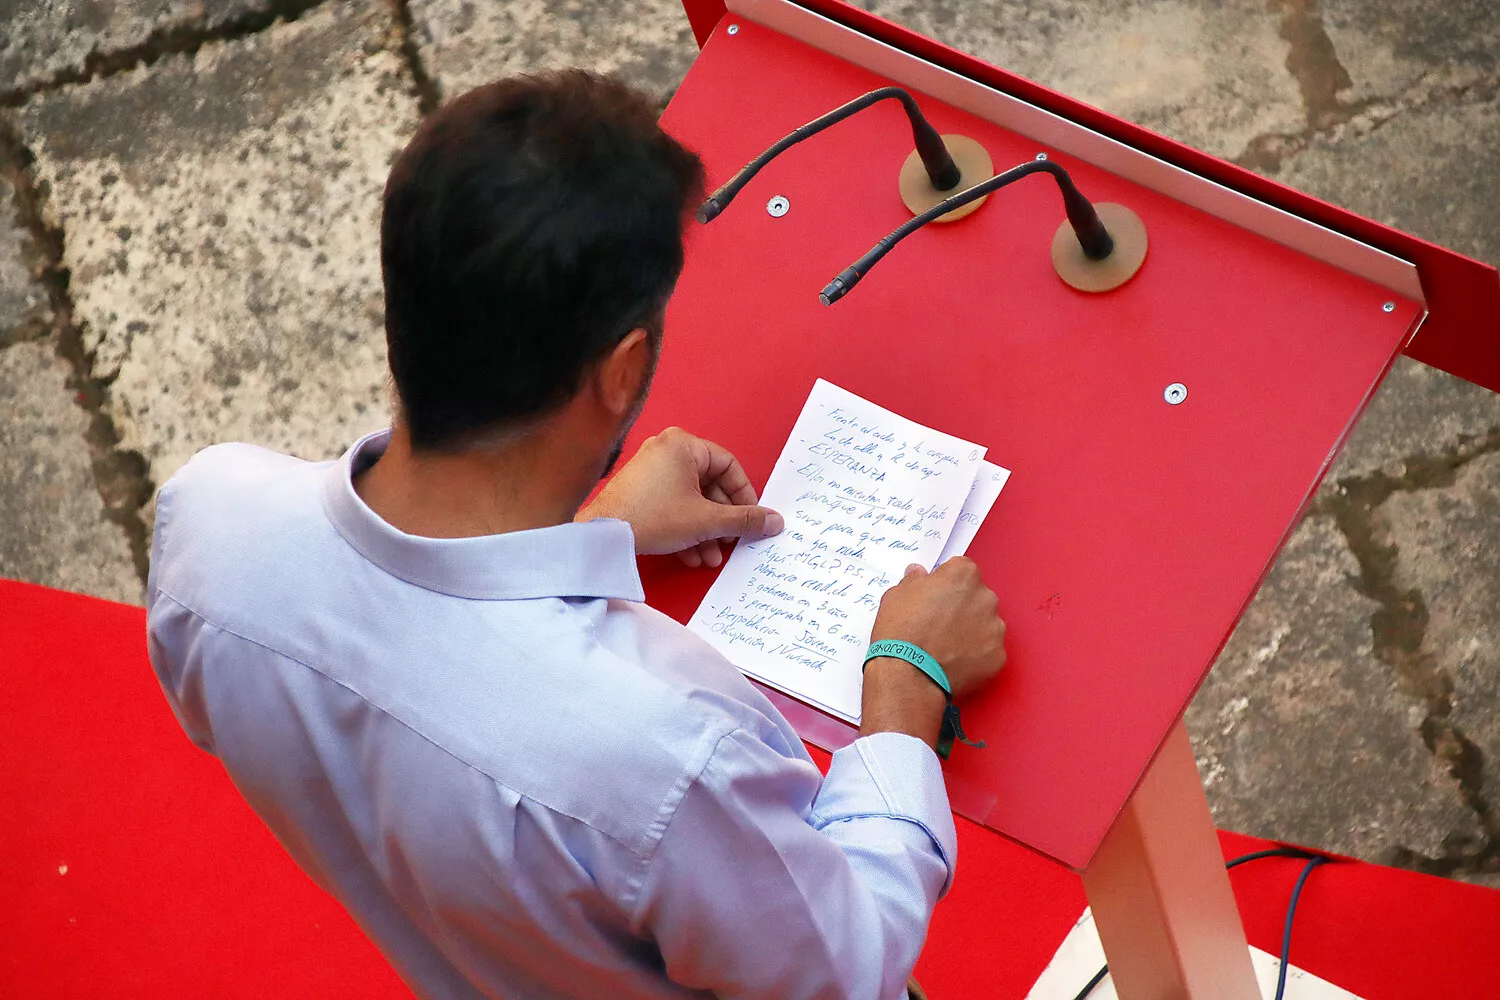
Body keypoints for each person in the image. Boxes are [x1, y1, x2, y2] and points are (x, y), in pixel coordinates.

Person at [146, 70, 1007, 1000]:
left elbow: (407, 677)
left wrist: (590, 532)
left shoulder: (210, 525)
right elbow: (845, 971)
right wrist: (904, 695)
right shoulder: (670, 753)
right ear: (623, 366)